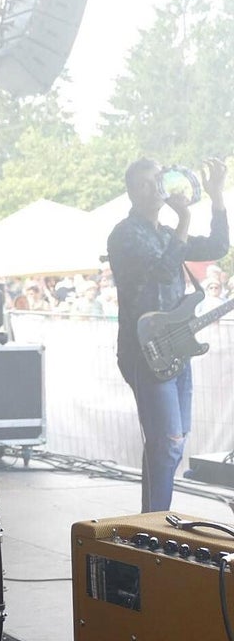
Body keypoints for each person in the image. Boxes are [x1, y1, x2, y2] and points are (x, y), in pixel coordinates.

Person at [107, 157, 228, 513]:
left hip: (175, 347)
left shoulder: (165, 233)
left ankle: (152, 519)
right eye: (144, 183)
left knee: (170, 443)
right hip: (144, 350)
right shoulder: (124, 234)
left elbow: (219, 247)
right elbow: (162, 271)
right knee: (169, 442)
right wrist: (185, 220)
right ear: (132, 192)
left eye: (156, 180)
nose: (153, 188)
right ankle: (155, 522)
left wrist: (217, 197)